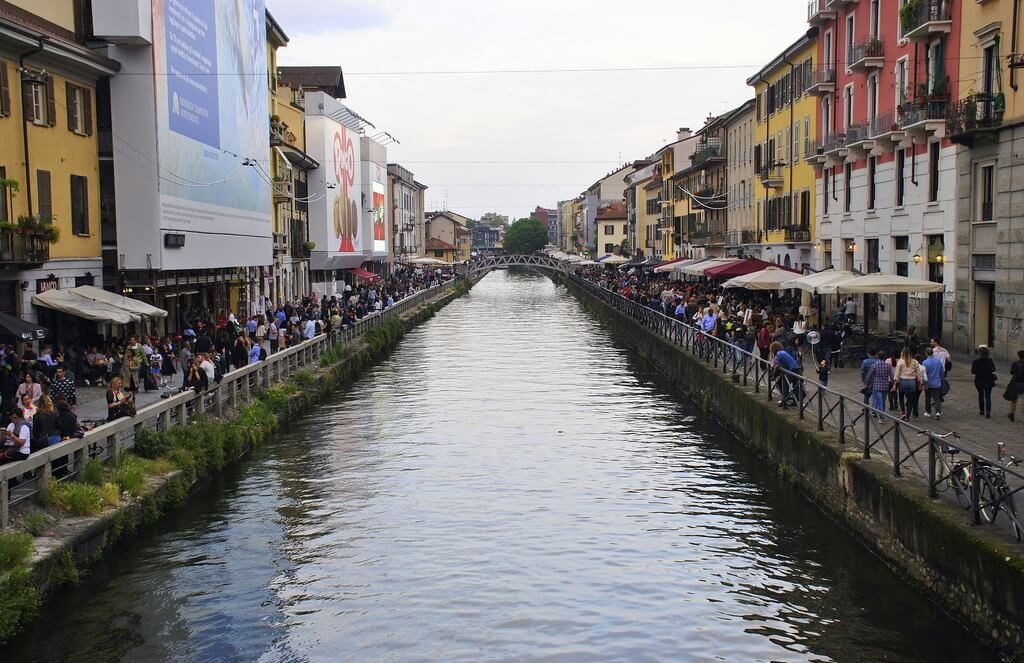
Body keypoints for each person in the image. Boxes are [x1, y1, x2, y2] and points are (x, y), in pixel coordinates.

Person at [770, 341, 801, 407]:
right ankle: (795, 401)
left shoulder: (779, 353)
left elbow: (775, 363)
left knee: (785, 384)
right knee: (795, 386)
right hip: (797, 369)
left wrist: (772, 365)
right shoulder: (783, 352)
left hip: (791, 370)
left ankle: (784, 401)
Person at [895, 348, 922, 421]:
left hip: (902, 381)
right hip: (912, 382)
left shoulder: (900, 361)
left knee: (901, 397)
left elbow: (897, 374)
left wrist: (895, 384)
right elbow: (918, 374)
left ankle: (903, 412)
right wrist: (919, 384)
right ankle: (908, 415)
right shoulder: (915, 361)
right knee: (910, 400)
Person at [865, 350, 895, 416]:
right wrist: (893, 385)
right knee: (883, 400)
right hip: (885, 386)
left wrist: (867, 383)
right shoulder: (888, 366)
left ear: (877, 357)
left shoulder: (874, 366)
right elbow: (892, 376)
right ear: (884, 357)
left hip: (876, 385)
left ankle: (876, 412)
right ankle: (882, 413)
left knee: (876, 399)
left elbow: (869, 376)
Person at [971, 346, 997, 418]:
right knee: (988, 396)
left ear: (979, 353)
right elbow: (993, 369)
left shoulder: (975, 362)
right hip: (988, 380)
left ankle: (982, 410)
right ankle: (988, 411)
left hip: (979, 381)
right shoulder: (990, 361)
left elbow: (973, 372)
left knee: (980, 395)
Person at [922, 347, 945, 419]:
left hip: (928, 383)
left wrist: (923, 382)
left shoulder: (925, 362)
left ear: (926, 353)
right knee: (937, 399)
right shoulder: (938, 362)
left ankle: (928, 412)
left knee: (927, 397)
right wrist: (942, 380)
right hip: (937, 383)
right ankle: (938, 412)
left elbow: (924, 374)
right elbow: (942, 373)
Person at [1008, 350, 1024, 422]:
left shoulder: (1015, 363)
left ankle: (1012, 413)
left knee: (1014, 399)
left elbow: (1011, 372)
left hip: (1016, 383)